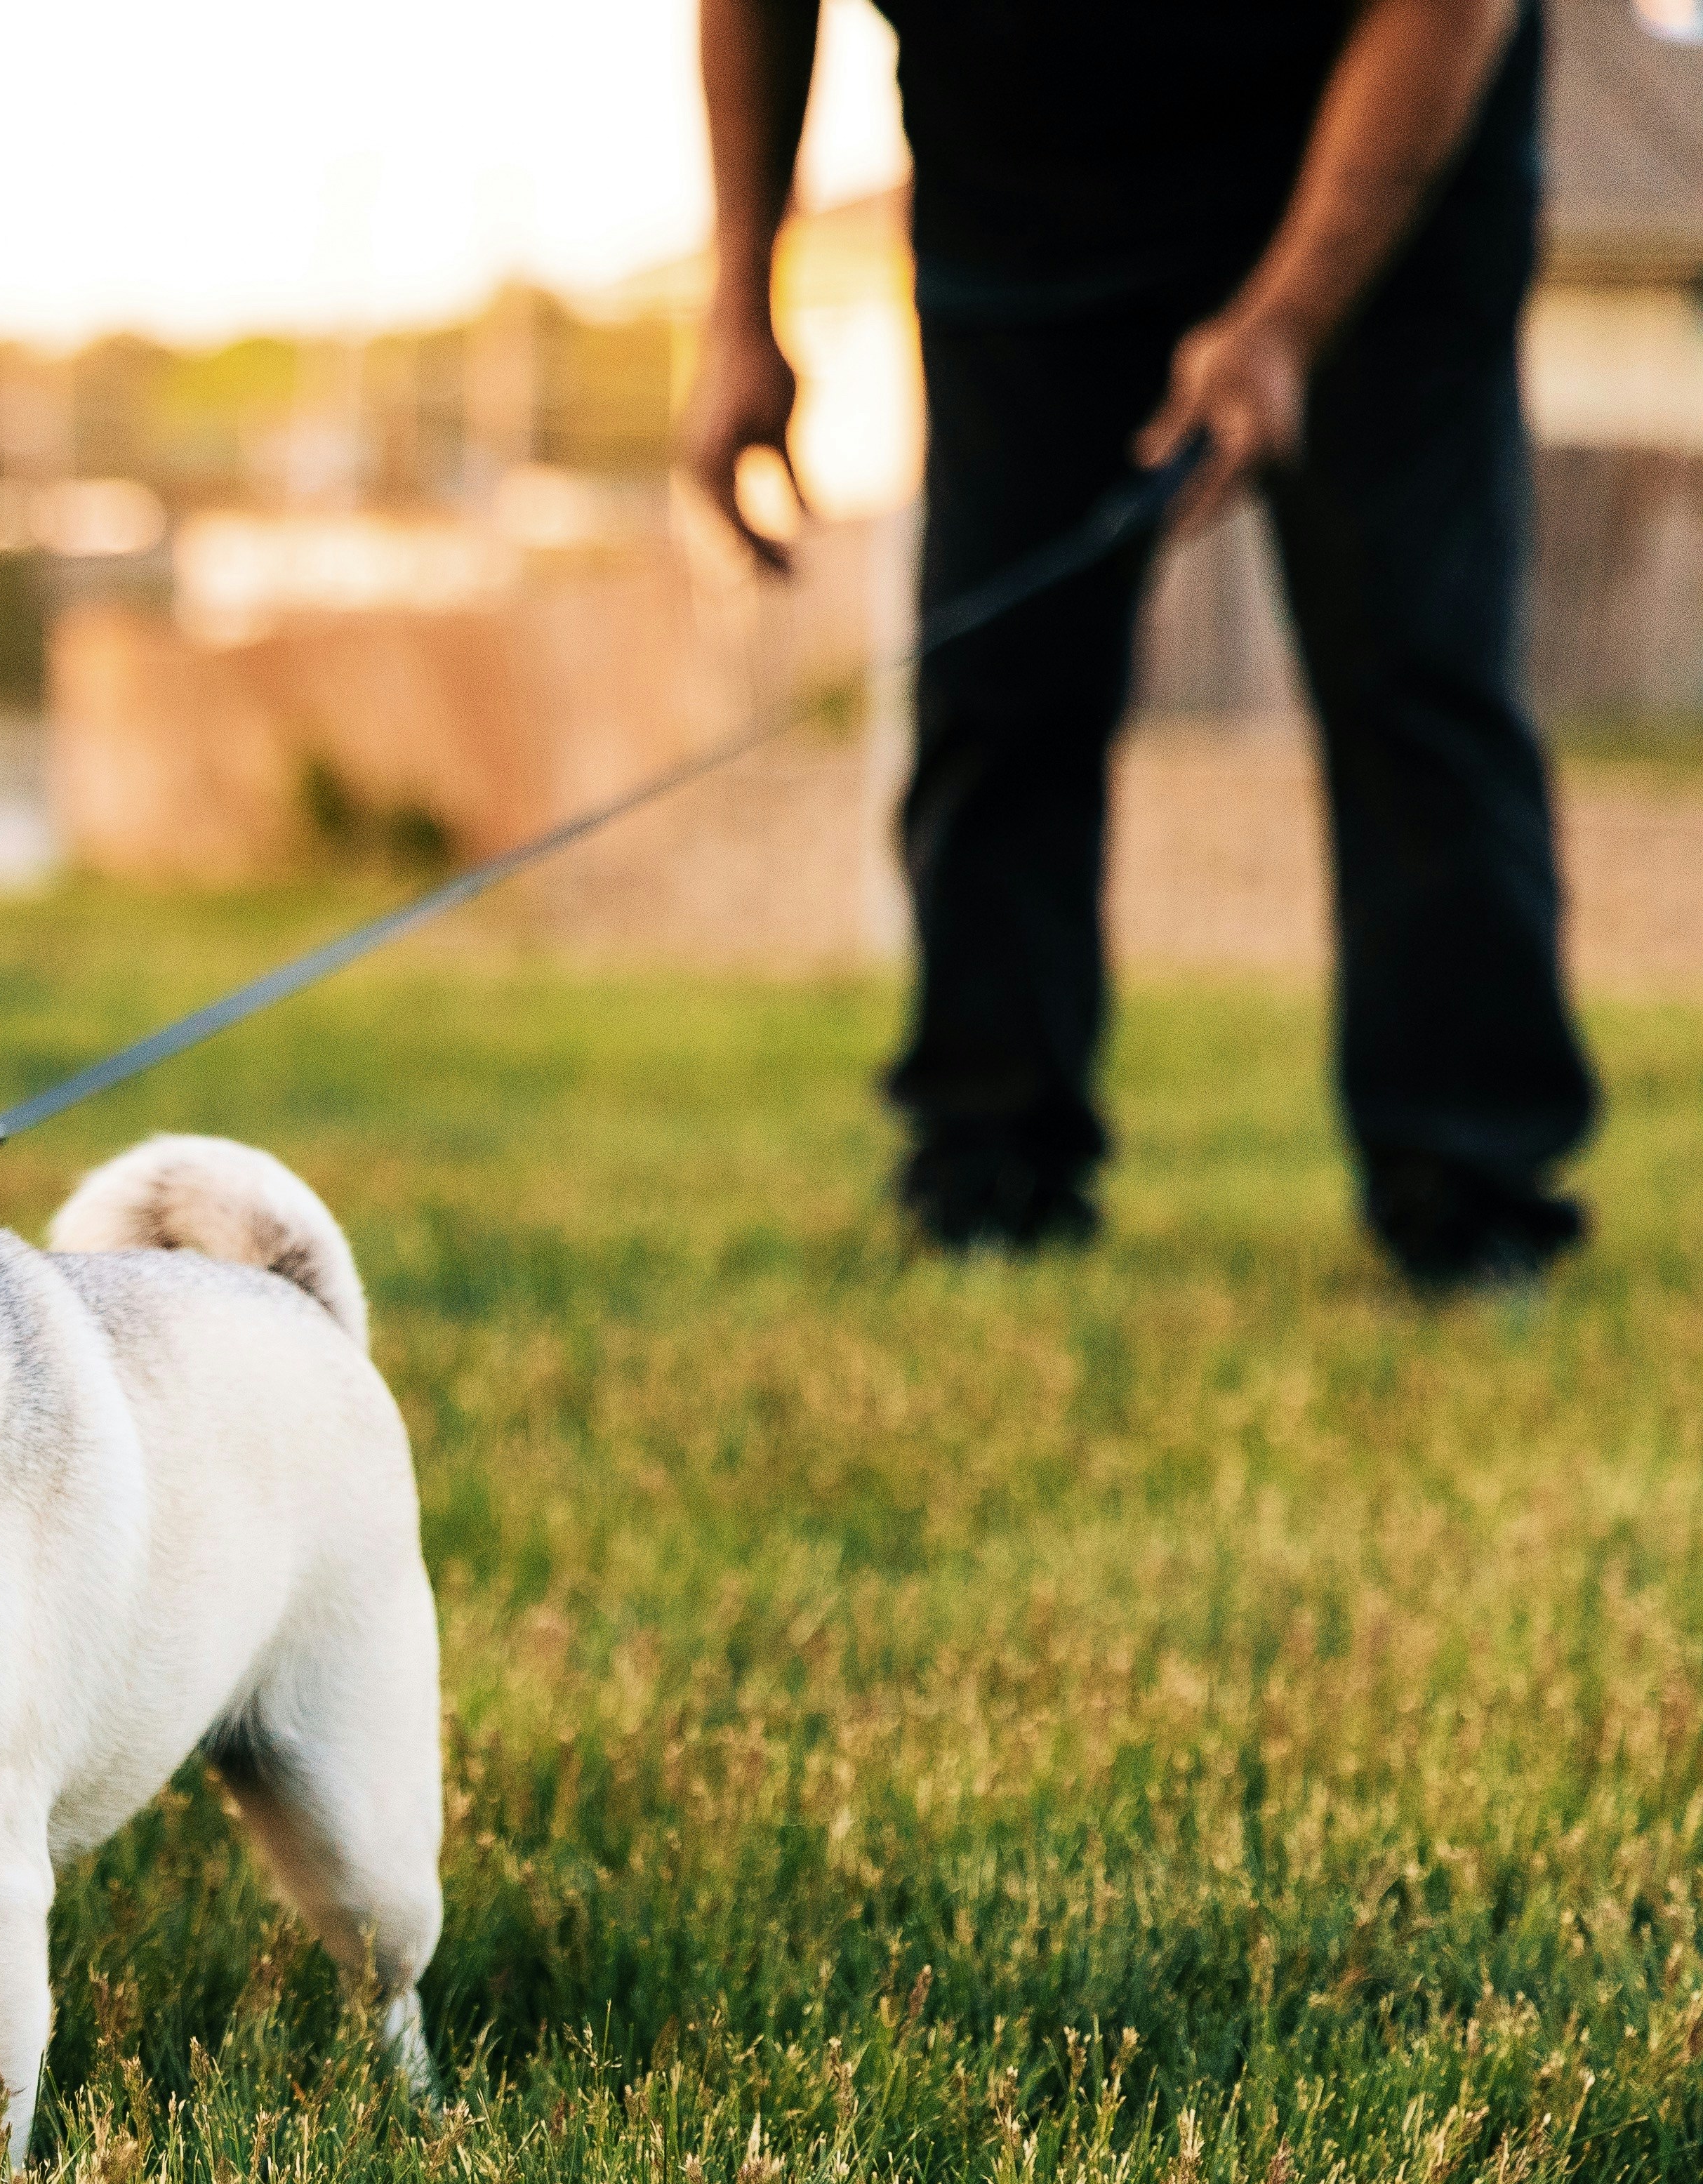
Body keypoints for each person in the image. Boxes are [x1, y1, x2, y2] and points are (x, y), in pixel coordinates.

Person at [681, 0, 1599, 1288]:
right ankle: (990, 1171)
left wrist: (1286, 316)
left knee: (1417, 668)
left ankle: (1470, 1188)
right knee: (997, 686)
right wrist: (737, 307)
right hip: (1024, 194)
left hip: (1385, 152)